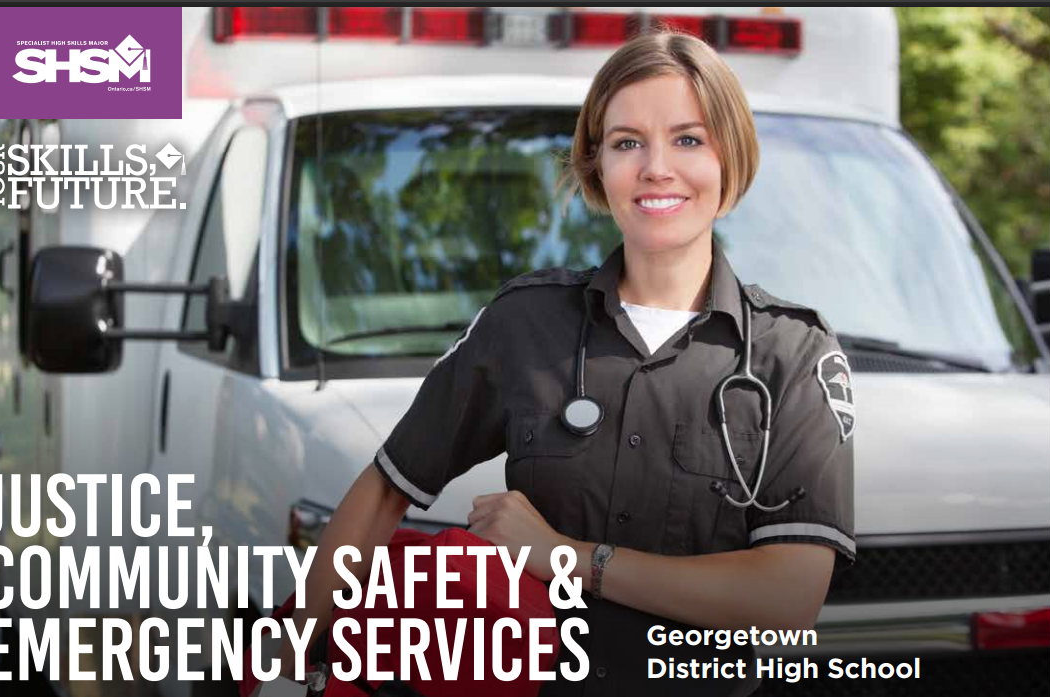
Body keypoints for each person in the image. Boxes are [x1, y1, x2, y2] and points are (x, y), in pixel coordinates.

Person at [271, 30, 855, 697]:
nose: (656, 168)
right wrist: (288, 660)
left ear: (731, 155)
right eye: (627, 142)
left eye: (688, 139)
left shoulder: (793, 354)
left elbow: (786, 602)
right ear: (597, 164)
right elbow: (386, 487)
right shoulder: (525, 323)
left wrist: (569, 558)